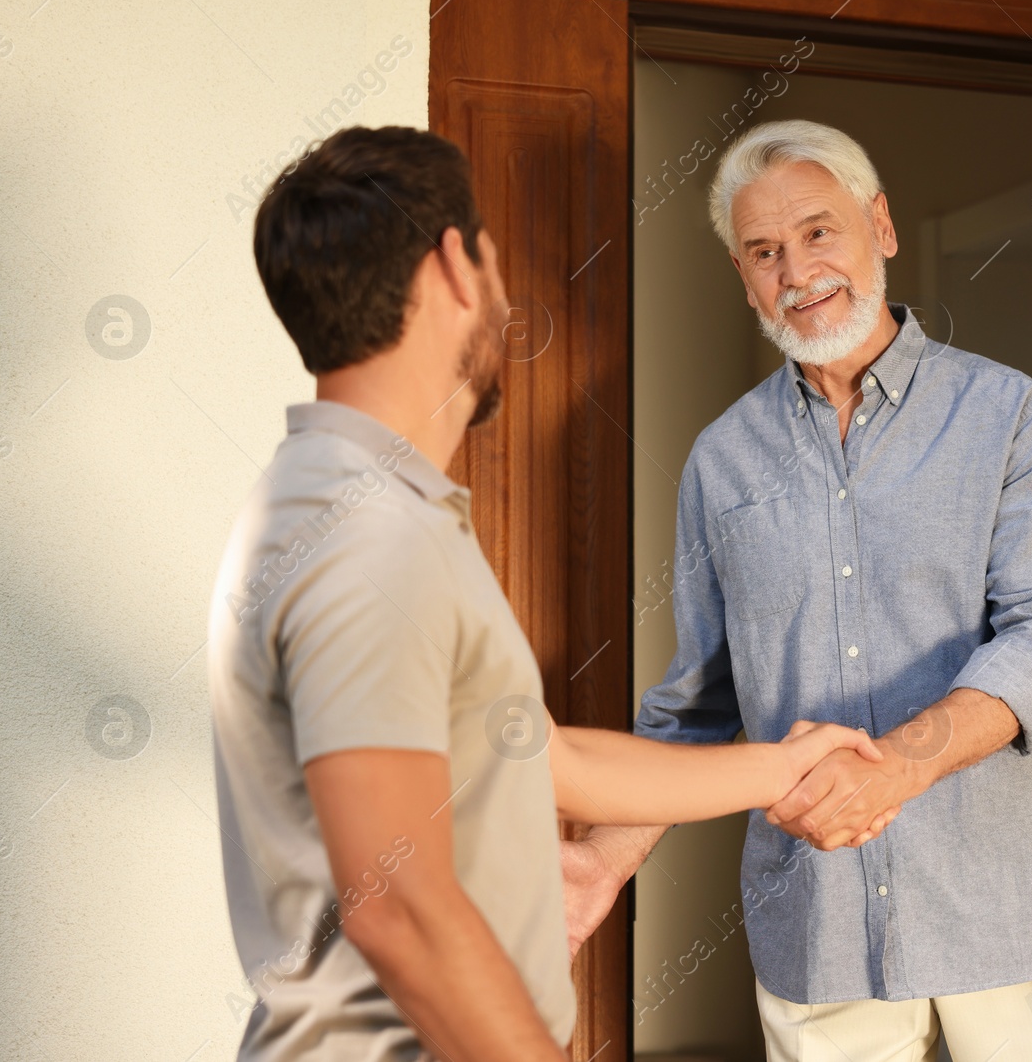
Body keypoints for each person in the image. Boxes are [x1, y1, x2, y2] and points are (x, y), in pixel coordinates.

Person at [206, 125, 891, 1062]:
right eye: (490, 258)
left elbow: (538, 753)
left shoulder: (366, 507)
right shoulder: (364, 535)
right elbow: (398, 904)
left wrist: (781, 766)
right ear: (457, 265)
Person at [562, 120, 1032, 1060]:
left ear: (881, 227)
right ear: (744, 277)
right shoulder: (720, 463)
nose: (797, 270)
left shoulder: (1011, 416)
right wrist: (601, 858)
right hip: (821, 925)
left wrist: (900, 766)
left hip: (1022, 910)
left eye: (818, 232)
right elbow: (696, 705)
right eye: (764, 251)